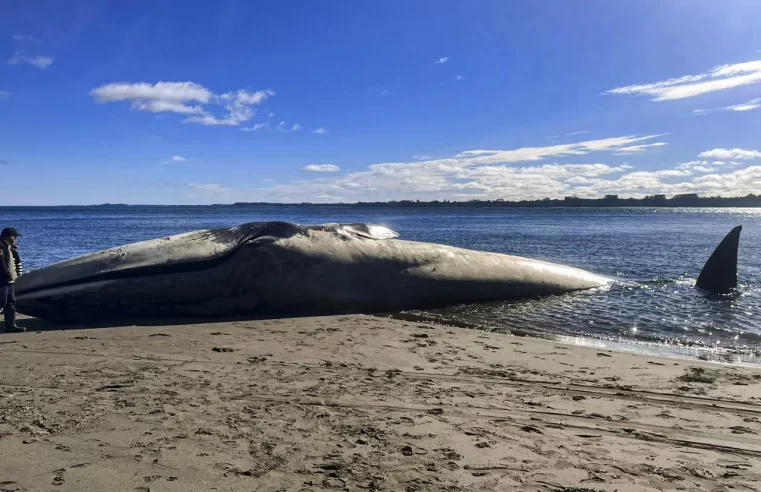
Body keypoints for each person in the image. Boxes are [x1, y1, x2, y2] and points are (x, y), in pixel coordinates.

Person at [1, 227, 26, 333]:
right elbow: (1, 262)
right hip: (2, 280)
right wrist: (7, 274)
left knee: (10, 303)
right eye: (15, 237)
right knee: (1, 302)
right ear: (11, 237)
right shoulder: (1, 246)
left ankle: (10, 326)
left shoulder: (7, 246)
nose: (16, 239)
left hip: (9, 280)